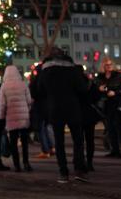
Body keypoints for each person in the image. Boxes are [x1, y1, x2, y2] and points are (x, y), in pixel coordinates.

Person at [37, 47, 88, 183]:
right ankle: (79, 170)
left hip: (55, 108)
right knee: (78, 140)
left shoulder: (45, 70)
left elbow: (38, 90)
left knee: (59, 142)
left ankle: (63, 172)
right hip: (72, 107)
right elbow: (82, 88)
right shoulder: (72, 69)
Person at [94, 57, 121, 157]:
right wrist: (99, 88)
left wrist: (116, 92)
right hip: (106, 105)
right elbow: (94, 87)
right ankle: (115, 150)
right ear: (103, 66)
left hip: (119, 104)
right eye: (106, 65)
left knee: (120, 128)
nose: (108, 66)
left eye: (110, 64)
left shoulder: (119, 76)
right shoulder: (100, 77)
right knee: (110, 128)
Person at [0, 65, 32, 172]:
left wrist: (1, 116)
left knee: (13, 143)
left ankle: (17, 165)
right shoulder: (23, 84)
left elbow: (2, 104)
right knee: (24, 142)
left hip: (11, 118)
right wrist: (27, 110)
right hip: (23, 118)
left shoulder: (4, 87)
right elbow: (29, 101)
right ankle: (26, 163)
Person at [77, 65, 103, 171]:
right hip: (89, 114)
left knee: (79, 140)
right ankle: (90, 162)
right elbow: (97, 97)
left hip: (78, 114)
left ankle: (81, 161)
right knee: (90, 139)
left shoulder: (75, 84)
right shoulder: (90, 83)